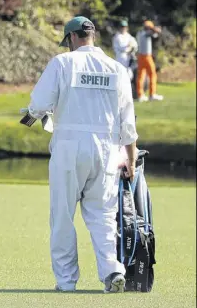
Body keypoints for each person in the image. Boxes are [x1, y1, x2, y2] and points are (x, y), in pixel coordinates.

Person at [26, 16, 139, 293]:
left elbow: (39, 104)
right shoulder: (117, 68)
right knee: (103, 214)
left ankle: (66, 282)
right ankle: (112, 270)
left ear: (72, 39)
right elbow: (128, 123)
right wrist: (131, 159)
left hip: (68, 147)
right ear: (92, 36)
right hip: (107, 151)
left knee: (63, 215)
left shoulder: (62, 63)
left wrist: (34, 114)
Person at [135, 20, 164, 102]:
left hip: (140, 56)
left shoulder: (140, 33)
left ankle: (140, 95)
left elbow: (155, 35)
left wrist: (156, 30)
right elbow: (155, 32)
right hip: (146, 56)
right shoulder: (145, 33)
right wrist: (156, 29)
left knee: (141, 76)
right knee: (152, 74)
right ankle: (152, 94)